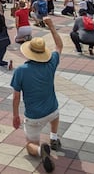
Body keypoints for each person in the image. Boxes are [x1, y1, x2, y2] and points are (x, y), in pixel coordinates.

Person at [11, 17, 63, 173]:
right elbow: (59, 46)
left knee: (30, 145)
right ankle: (53, 137)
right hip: (52, 109)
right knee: (55, 115)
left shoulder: (21, 71)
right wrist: (51, 26)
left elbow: (16, 97)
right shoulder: (51, 62)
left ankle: (41, 151)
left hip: (34, 116)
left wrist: (15, 116)